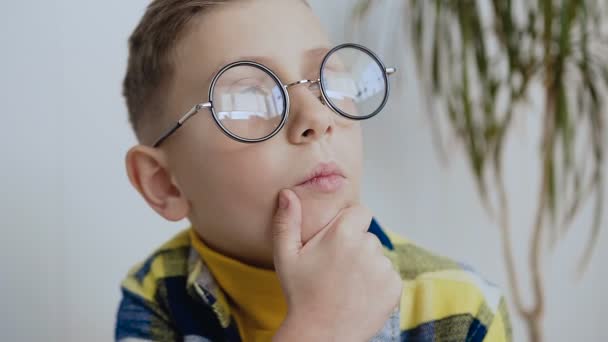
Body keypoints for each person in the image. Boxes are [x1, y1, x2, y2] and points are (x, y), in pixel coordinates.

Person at [115, 0, 512, 340]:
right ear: (164, 184)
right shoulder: (157, 295)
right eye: (251, 98)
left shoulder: (463, 310)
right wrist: (319, 329)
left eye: (330, 83)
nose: (317, 116)